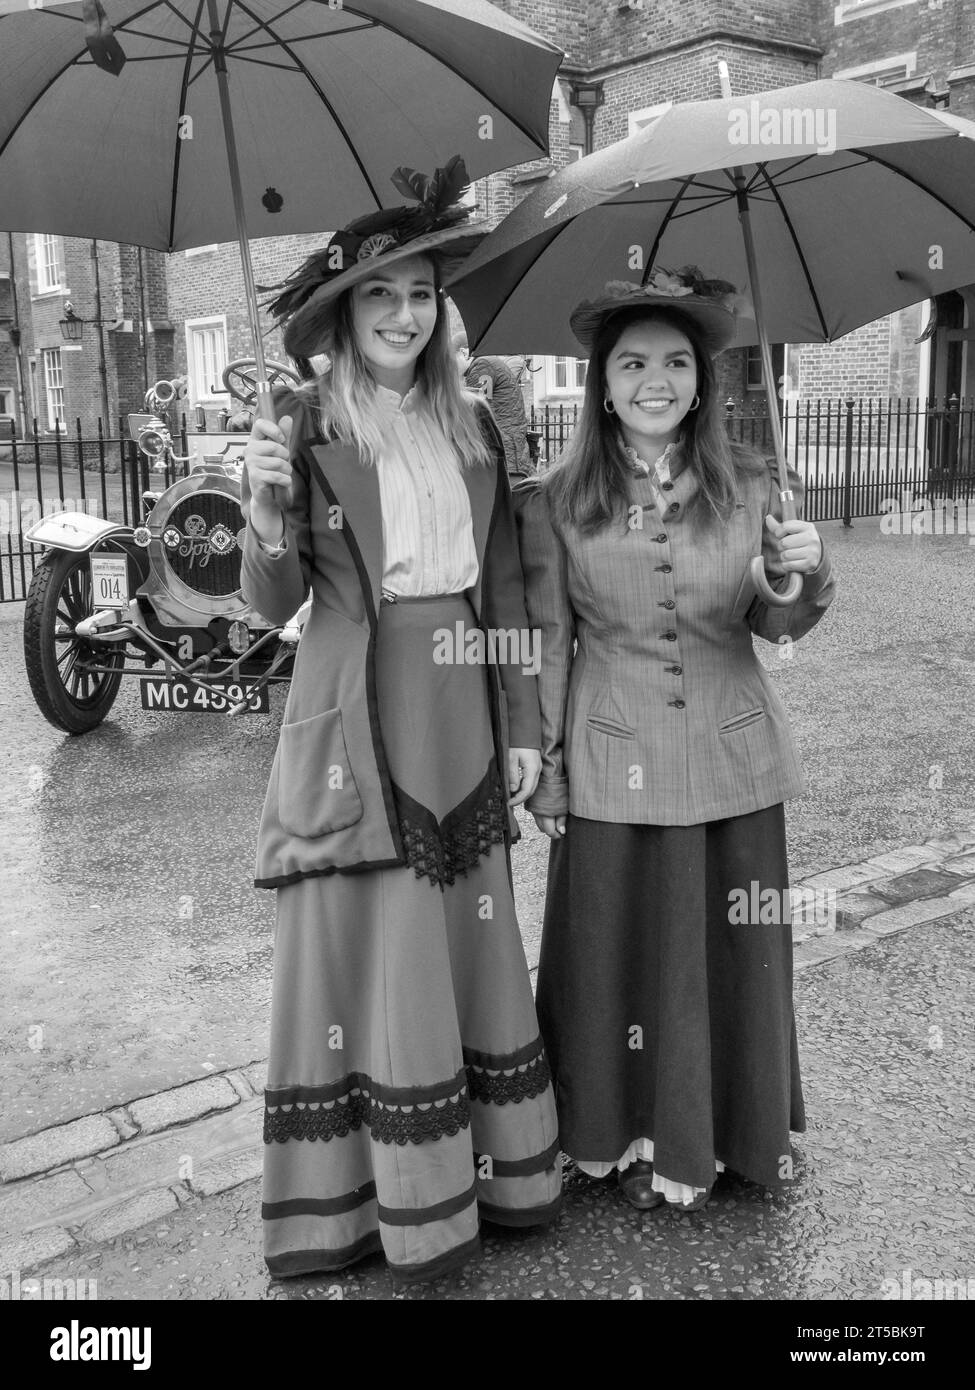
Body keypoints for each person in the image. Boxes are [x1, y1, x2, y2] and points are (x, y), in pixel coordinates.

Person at [240, 158, 561, 1284]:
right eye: (380, 295)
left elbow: (510, 589)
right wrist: (268, 508)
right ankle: (358, 1212)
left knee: (464, 938)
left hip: (464, 703)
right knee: (366, 953)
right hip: (352, 715)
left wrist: (525, 727)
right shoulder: (302, 426)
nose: (404, 313)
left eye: (421, 292)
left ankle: (489, 1181)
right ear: (340, 315)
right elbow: (271, 604)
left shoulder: (475, 424)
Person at [514, 270, 836, 1213]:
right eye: (631, 363)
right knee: (611, 952)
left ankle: (734, 1134)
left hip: (734, 761)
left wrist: (795, 576)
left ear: (701, 380)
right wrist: (549, 771)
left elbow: (776, 627)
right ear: (601, 384)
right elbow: (549, 642)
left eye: (674, 362)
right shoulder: (557, 498)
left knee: (731, 957)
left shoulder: (753, 485)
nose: (653, 379)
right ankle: (617, 1136)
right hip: (613, 757)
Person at [454, 333, 532, 477]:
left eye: (451, 360)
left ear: (464, 352)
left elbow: (477, 411)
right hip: (509, 448)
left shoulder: (483, 366)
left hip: (505, 451)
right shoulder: (486, 364)